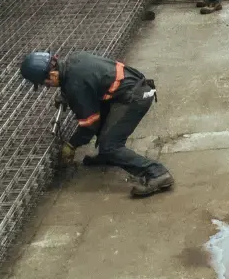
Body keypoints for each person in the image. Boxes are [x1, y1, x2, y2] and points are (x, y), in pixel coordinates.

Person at [20, 51, 175, 197]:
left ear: (52, 74)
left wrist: (71, 145)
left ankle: (157, 173)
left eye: (45, 83)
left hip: (134, 98)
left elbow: (89, 126)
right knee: (97, 117)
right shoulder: (74, 59)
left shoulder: (75, 86)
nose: (47, 87)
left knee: (110, 146)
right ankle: (108, 156)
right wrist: (66, 95)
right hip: (127, 91)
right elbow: (86, 80)